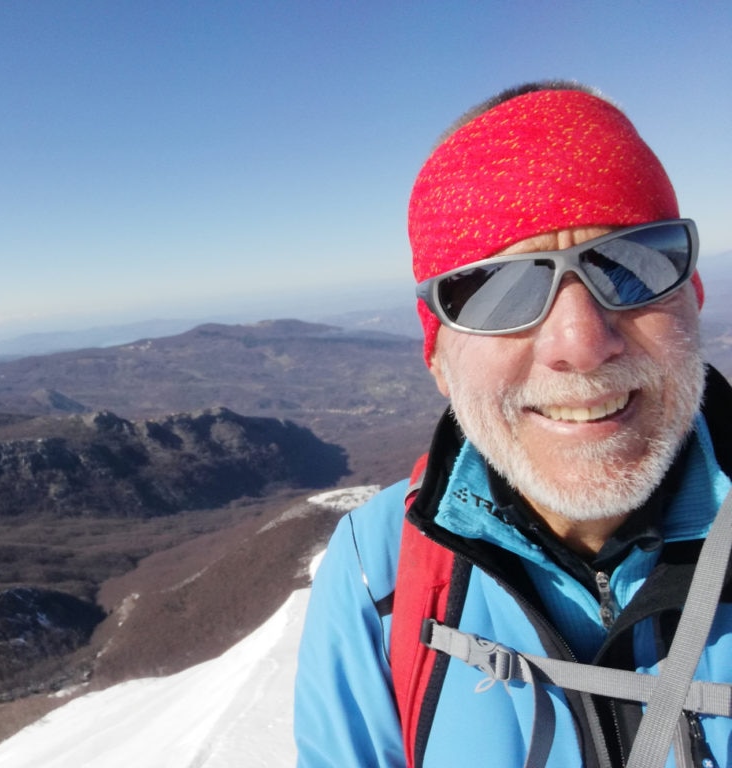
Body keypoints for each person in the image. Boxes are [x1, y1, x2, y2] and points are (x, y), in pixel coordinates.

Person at [294, 81, 732, 767]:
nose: (582, 342)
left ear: (691, 296)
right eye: (501, 291)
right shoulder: (377, 578)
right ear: (439, 356)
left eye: (633, 265)